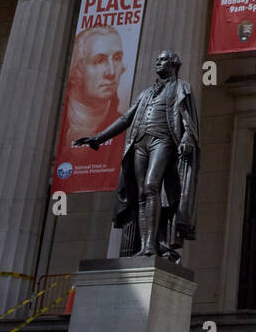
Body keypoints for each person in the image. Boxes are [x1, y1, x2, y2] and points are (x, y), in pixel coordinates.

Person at [73, 50, 200, 260]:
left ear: (174, 64)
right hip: (140, 142)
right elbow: (126, 119)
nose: (158, 63)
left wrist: (187, 138)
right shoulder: (146, 93)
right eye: (157, 60)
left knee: (152, 185)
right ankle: (146, 245)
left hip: (163, 140)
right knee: (141, 192)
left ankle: (152, 243)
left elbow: (187, 119)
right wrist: (99, 137)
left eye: (163, 60)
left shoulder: (181, 87)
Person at [58, 26, 128, 154]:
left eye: (117, 58)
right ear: (76, 70)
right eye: (99, 61)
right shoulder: (57, 122)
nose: (111, 72)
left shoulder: (122, 124)